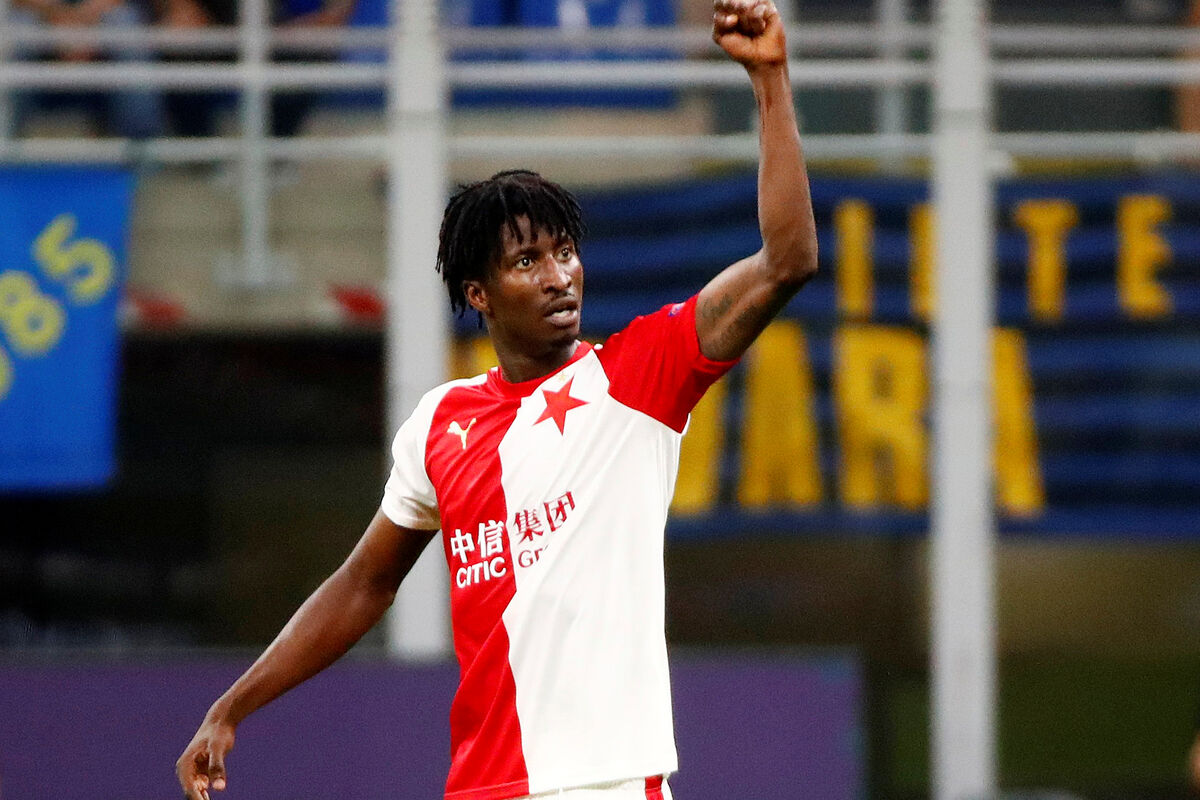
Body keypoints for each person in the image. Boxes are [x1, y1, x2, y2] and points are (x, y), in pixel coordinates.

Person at [175, 1, 817, 798]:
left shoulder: (639, 377)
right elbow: (365, 583)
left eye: (565, 252)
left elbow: (787, 260)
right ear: (478, 293)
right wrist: (232, 707)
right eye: (526, 261)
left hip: (609, 783)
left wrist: (769, 80)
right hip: (483, 785)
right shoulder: (440, 424)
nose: (557, 276)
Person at [159, 0, 356, 138]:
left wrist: (331, 17)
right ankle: (198, 149)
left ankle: (276, 148)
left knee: (315, 52)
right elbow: (179, 18)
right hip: (207, 25)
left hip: (275, 31)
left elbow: (332, 18)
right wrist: (179, 6)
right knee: (176, 46)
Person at [6, 0, 164, 138]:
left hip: (101, 16)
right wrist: (55, 16)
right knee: (17, 26)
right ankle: (6, 143)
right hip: (41, 16)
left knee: (125, 23)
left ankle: (141, 148)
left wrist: (85, 21)